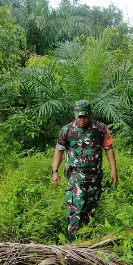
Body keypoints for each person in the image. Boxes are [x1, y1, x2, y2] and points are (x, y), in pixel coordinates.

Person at [51, 100, 118, 234]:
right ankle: (73, 237)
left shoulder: (100, 128)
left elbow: (108, 148)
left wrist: (113, 169)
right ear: (74, 114)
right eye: (79, 117)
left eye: (85, 116)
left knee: (90, 208)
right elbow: (59, 150)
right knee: (75, 207)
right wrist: (55, 171)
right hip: (76, 175)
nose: (82, 120)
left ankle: (86, 236)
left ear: (90, 114)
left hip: (95, 176)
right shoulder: (67, 130)